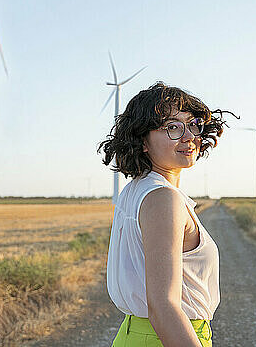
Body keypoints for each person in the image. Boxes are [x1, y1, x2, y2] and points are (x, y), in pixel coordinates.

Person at [98, 81, 237, 347]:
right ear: (143, 141)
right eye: (172, 127)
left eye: (193, 124)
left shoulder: (136, 190)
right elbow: (164, 307)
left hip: (136, 335)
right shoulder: (163, 199)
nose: (188, 136)